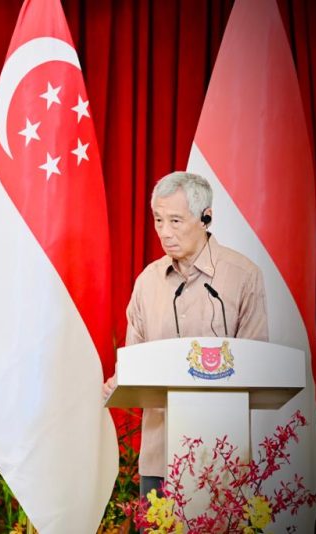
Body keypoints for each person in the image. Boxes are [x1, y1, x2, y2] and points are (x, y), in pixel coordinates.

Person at [102, 171, 267, 501]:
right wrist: (119, 380)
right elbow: (135, 360)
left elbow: (258, 367)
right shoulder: (148, 281)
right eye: (158, 220)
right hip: (159, 459)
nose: (164, 232)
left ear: (206, 217)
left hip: (222, 458)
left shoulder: (243, 276)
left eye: (176, 221)